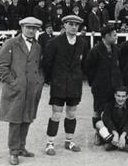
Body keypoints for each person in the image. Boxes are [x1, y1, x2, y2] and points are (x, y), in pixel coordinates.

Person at [0, 17, 44, 165]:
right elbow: (0, 66)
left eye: (34, 28)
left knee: (27, 118)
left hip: (31, 90)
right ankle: (14, 152)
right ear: (22, 27)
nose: (31, 30)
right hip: (16, 90)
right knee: (15, 120)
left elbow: (38, 67)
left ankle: (22, 147)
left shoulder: (37, 46)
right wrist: (13, 82)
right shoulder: (11, 43)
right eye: (28, 27)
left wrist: (38, 82)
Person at [43, 15, 89, 155]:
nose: (74, 27)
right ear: (64, 25)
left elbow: (85, 63)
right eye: (71, 24)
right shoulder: (54, 42)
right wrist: (51, 80)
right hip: (59, 83)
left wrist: (80, 77)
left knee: (71, 113)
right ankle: (50, 143)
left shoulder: (83, 43)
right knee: (56, 113)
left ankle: (69, 141)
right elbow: (47, 64)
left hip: (75, 84)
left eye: (76, 25)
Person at [87, 26, 123, 146]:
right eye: (114, 35)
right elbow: (89, 71)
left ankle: (108, 133)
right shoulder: (95, 51)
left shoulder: (116, 49)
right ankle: (98, 133)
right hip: (100, 87)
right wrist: (96, 84)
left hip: (114, 86)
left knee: (110, 110)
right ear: (106, 36)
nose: (116, 37)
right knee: (98, 110)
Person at [94, 86, 128, 152]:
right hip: (112, 132)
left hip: (125, 133)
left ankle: (113, 144)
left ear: (127, 96)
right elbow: (107, 120)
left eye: (123, 96)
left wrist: (123, 135)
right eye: (118, 96)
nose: (120, 99)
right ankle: (122, 145)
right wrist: (115, 134)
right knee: (98, 123)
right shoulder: (109, 105)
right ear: (115, 95)